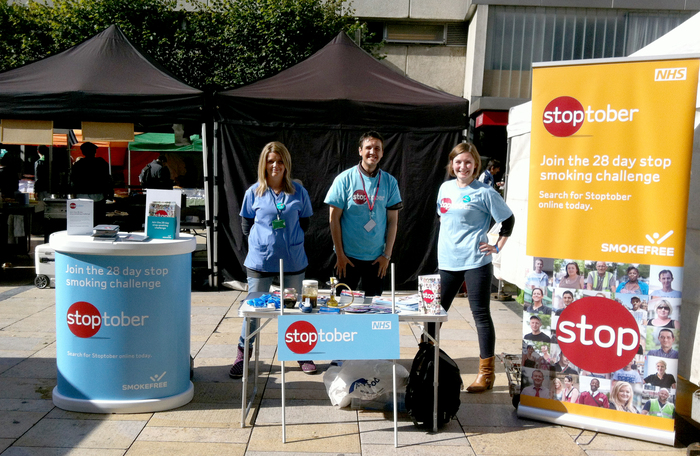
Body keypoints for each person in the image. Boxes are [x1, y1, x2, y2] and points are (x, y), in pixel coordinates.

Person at [432, 142, 515, 393]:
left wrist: (497, 247)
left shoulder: (485, 192)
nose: (463, 166)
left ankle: (486, 374)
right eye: (458, 162)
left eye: (468, 162)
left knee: (480, 316)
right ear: (452, 164)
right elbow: (443, 218)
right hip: (447, 261)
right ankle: (428, 362)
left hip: (476, 262)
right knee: (433, 316)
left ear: (476, 165)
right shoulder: (445, 188)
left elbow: (508, 219)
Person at [229, 142, 315, 378]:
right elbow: (246, 225)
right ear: (264, 165)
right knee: (253, 311)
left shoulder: (299, 192)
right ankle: (243, 352)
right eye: (271, 161)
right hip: (260, 261)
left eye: (279, 161)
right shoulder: (253, 192)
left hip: (293, 261)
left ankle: (301, 352)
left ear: (286, 164)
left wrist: (287, 241)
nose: (275, 165)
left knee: (295, 309)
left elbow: (304, 223)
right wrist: (265, 243)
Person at [324, 131, 402, 297]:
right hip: (347, 258)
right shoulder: (344, 179)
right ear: (360, 151)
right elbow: (333, 219)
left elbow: (393, 222)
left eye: (377, 148)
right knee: (343, 309)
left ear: (382, 153)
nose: (372, 152)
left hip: (376, 259)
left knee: (373, 313)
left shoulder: (390, 182)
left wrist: (386, 256)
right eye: (368, 147)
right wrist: (340, 255)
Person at [69, 142, 113, 224]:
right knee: (98, 220)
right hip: (99, 196)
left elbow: (73, 180)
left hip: (82, 196)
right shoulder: (101, 163)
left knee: (84, 221)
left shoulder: (78, 165)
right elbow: (108, 179)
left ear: (83, 152)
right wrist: (109, 194)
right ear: (94, 152)